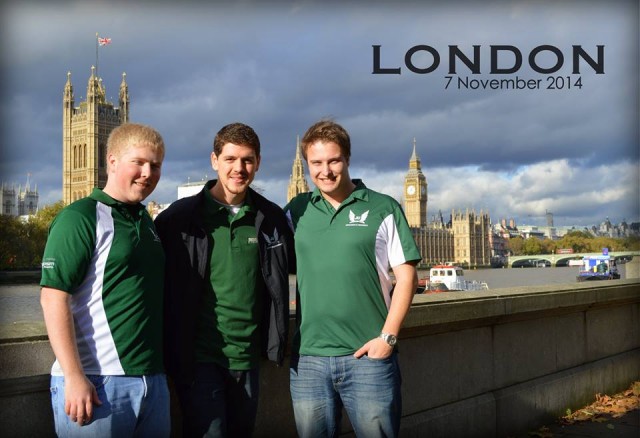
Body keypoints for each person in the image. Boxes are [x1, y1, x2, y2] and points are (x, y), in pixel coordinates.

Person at [154, 122, 294, 437]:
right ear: (214, 160)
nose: (239, 168)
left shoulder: (272, 219)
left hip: (248, 357)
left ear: (258, 163)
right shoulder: (178, 219)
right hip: (200, 359)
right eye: (230, 159)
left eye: (247, 160)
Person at [286, 119, 421, 438]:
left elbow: (407, 277)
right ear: (306, 165)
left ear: (347, 158)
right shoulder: (297, 210)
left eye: (333, 160)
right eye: (316, 163)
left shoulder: (382, 206)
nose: (325, 170)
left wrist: (387, 338)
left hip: (368, 358)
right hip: (308, 360)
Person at [40, 123, 169, 437]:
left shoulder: (146, 220)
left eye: (155, 165)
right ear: (112, 161)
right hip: (97, 382)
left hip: (152, 380)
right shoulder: (80, 217)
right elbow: (52, 297)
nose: (147, 172)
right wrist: (73, 376)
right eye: (137, 162)